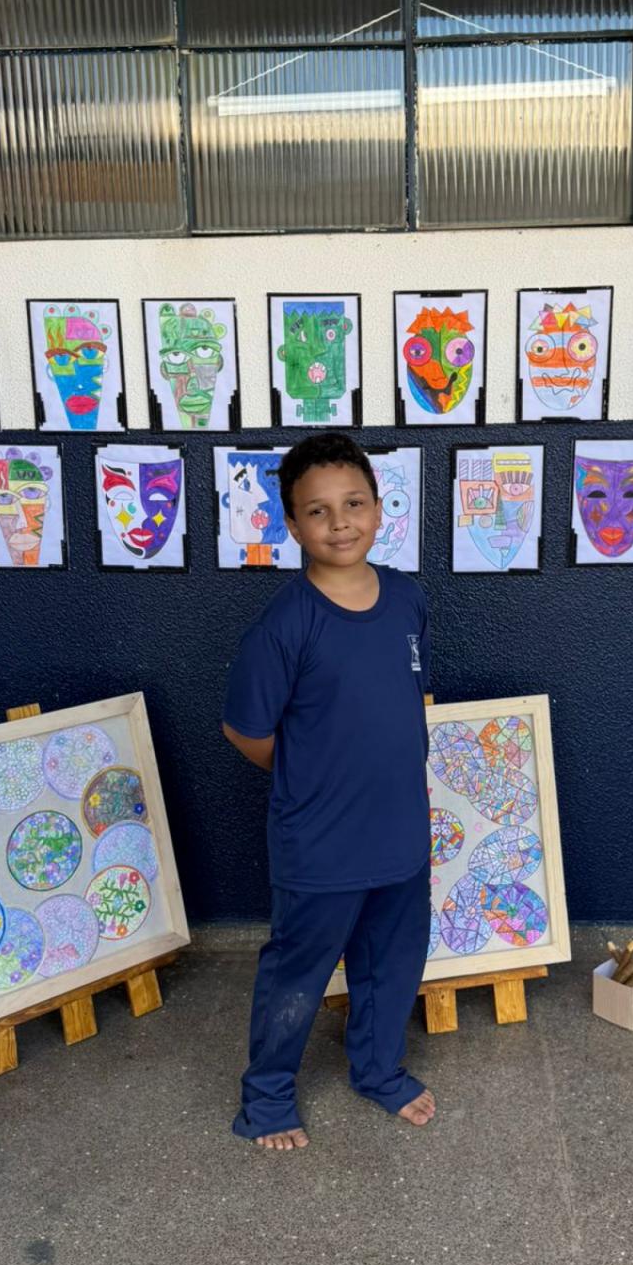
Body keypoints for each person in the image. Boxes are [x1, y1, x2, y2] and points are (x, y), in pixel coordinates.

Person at [222, 433, 436, 1150]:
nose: (339, 523)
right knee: (298, 973)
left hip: (400, 832)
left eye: (354, 504)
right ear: (292, 524)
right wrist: (311, 776)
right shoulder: (284, 626)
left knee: (391, 963)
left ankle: (377, 1071)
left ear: (378, 508)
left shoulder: (406, 599)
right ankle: (267, 1099)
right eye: (318, 511)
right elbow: (245, 730)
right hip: (320, 842)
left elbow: (409, 699)